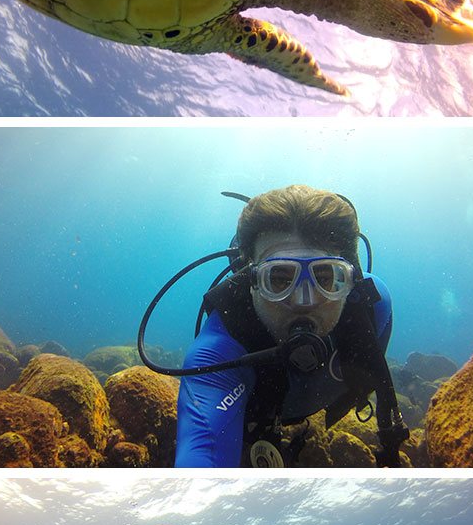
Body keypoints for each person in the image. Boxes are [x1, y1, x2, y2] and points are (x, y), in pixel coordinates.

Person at [170, 185, 408, 467]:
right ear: (252, 281)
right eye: (280, 279)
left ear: (350, 279)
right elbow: (201, 462)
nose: (303, 301)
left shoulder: (374, 306)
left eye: (326, 277)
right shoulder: (217, 355)